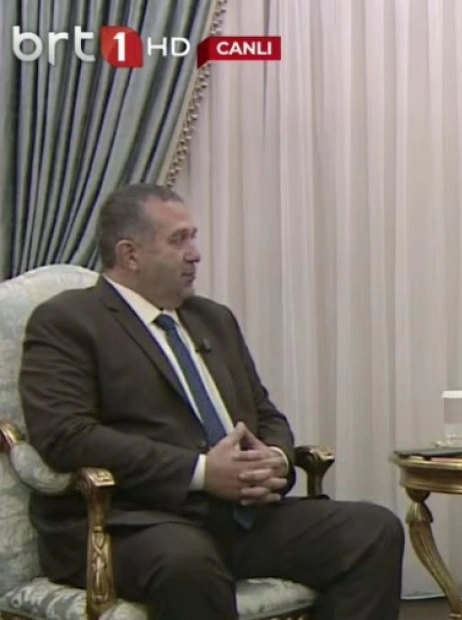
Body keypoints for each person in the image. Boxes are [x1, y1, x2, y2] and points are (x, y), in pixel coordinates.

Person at [19, 184, 405, 619]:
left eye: (194, 237)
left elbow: (264, 412)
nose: (195, 254)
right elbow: (66, 437)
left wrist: (274, 458)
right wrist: (202, 472)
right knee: (189, 564)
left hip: (238, 517)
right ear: (130, 255)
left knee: (372, 531)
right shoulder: (68, 321)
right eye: (178, 240)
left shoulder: (213, 319)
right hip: (132, 521)